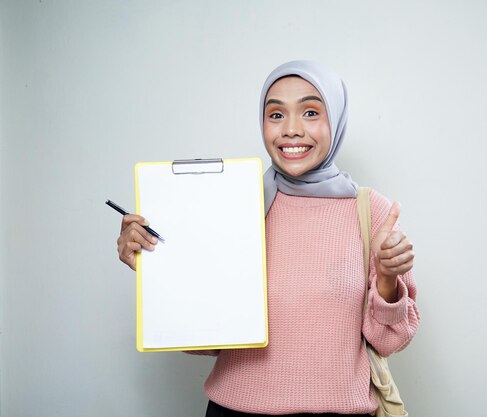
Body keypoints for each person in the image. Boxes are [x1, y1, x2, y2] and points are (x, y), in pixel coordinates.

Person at [116, 60, 420, 417]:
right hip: (235, 411)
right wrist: (156, 265)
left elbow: (390, 340)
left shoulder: (370, 211)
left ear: (336, 120)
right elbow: (203, 337)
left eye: (310, 112)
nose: (291, 130)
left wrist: (386, 280)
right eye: (276, 115)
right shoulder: (233, 203)